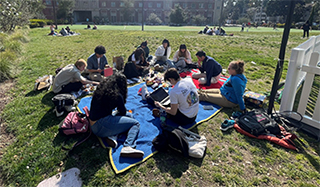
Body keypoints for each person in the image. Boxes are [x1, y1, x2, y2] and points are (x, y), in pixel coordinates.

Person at [89, 72, 144, 158]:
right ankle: (128, 146)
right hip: (101, 125)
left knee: (128, 116)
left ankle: (112, 136)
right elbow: (122, 112)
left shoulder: (102, 89)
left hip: (93, 123)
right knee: (135, 123)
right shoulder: (118, 95)